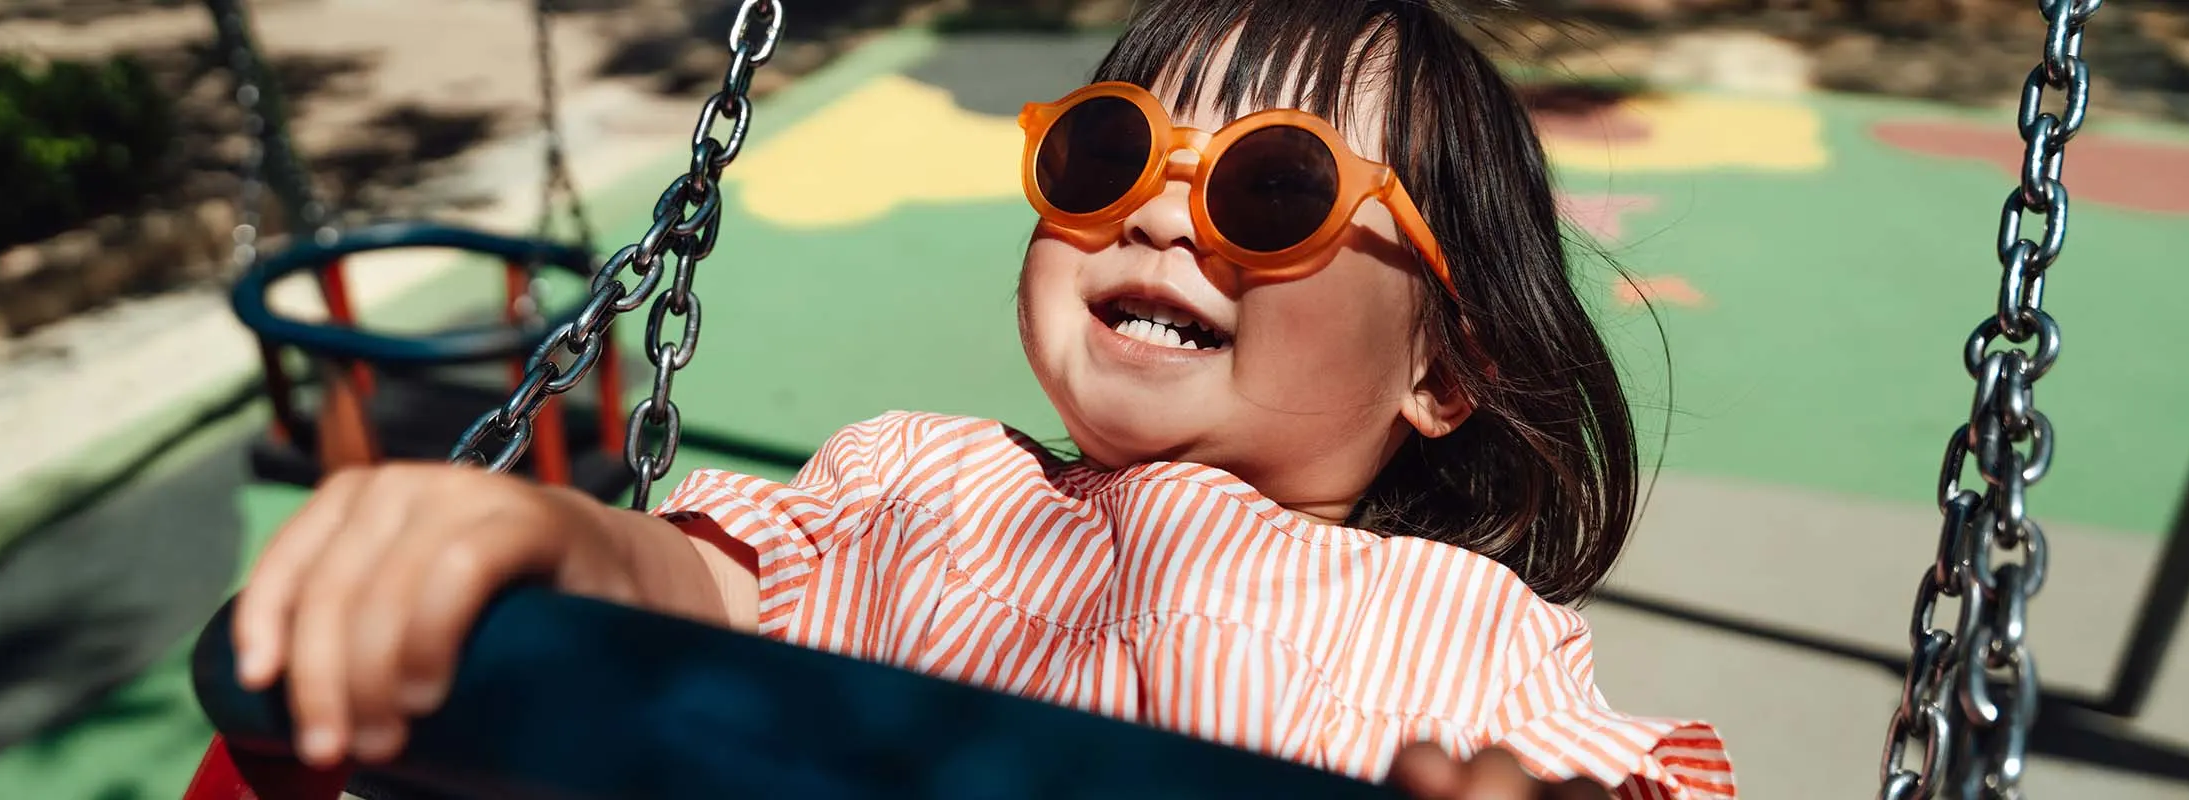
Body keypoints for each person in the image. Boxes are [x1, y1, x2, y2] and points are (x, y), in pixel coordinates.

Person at [228, 0, 1735, 796]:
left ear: (1447, 368)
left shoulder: (1473, 635)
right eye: (1107, 158)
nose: (1156, 220)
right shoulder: (917, 481)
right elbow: (691, 589)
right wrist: (539, 539)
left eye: (1271, 191)